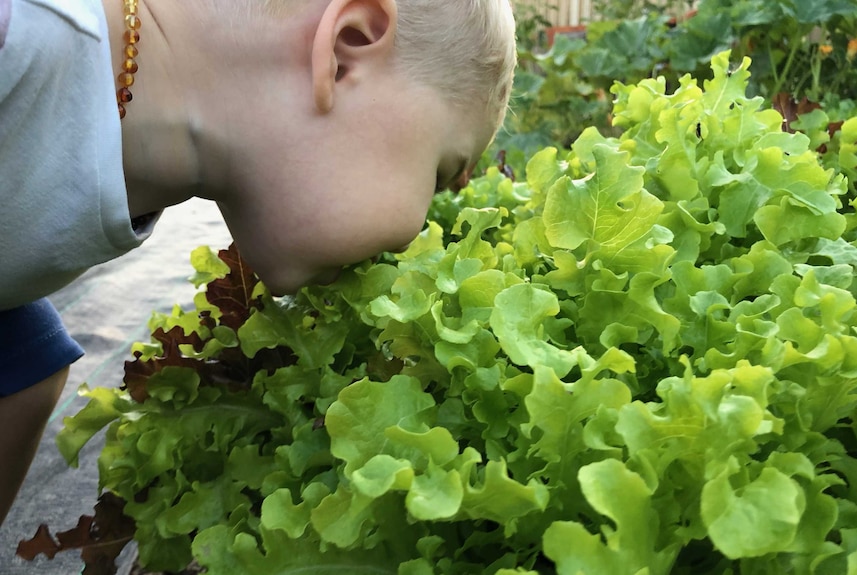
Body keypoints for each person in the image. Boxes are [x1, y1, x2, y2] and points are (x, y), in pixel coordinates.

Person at [0, 0, 517, 525]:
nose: (413, 239)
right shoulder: (22, 37)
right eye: (439, 172)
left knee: (27, 361)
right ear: (347, 51)